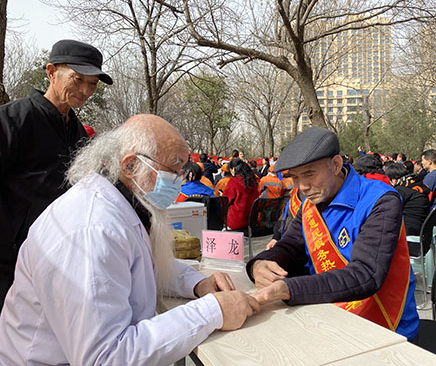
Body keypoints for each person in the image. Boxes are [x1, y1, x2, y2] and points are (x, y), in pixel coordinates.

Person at [0, 114, 259, 365]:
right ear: (131, 166)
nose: (179, 181)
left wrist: (197, 283)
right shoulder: (93, 230)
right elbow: (106, 357)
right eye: (174, 168)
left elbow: (142, 267)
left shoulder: (120, 204)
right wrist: (212, 312)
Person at [247, 127, 419, 340]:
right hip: (328, 313)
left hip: (383, 325)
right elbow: (290, 245)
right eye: (295, 178)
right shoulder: (311, 203)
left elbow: (366, 274)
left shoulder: (380, 201)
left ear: (336, 165)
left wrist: (288, 288)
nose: (303, 187)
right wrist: (260, 264)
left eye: (310, 174)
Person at [0, 39, 113, 309]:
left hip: (56, 258)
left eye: (93, 84)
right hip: (8, 261)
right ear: (51, 72)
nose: (85, 91)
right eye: (78, 80)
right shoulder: (13, 121)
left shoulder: (76, 132)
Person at [384, 164, 430, 237]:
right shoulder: (415, 184)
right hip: (420, 225)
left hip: (408, 228)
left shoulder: (401, 189)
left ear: (393, 179)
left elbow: (390, 209)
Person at [224, 158, 259, 230]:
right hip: (251, 222)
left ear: (233, 169)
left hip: (235, 222)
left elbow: (225, 201)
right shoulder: (253, 181)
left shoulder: (233, 182)